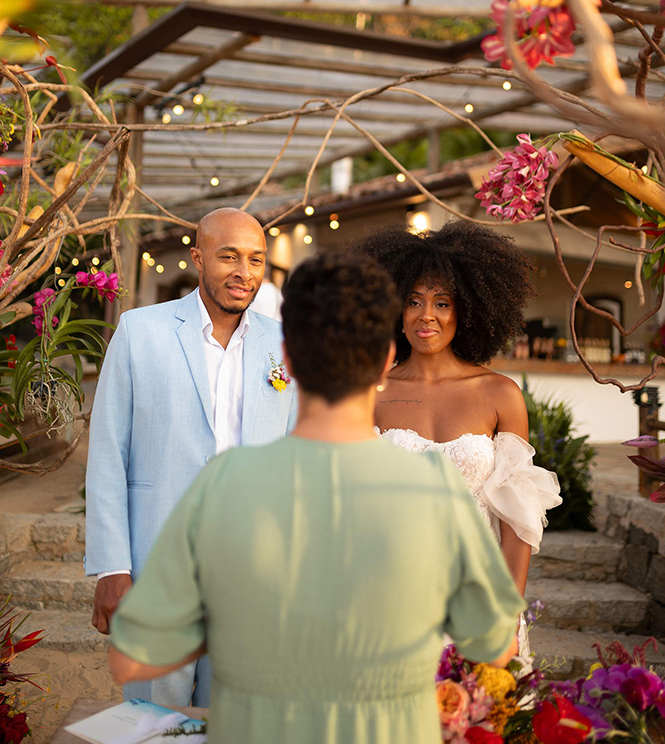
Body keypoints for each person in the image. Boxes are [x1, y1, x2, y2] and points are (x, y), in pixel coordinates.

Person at [107, 252, 525, 744]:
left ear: (286, 357)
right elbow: (496, 646)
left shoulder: (226, 482)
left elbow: (134, 654)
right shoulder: (437, 489)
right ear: (387, 358)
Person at [85, 208, 297, 707]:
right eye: (229, 256)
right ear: (198, 258)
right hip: (158, 563)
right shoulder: (139, 331)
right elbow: (108, 454)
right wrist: (112, 566)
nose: (243, 272)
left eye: (255, 259)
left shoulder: (285, 346)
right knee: (154, 717)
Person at [355, 221, 561, 647]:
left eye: (442, 303)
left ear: (466, 310)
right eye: (413, 301)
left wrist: (505, 612)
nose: (426, 315)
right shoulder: (371, 391)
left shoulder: (498, 394)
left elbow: (518, 520)